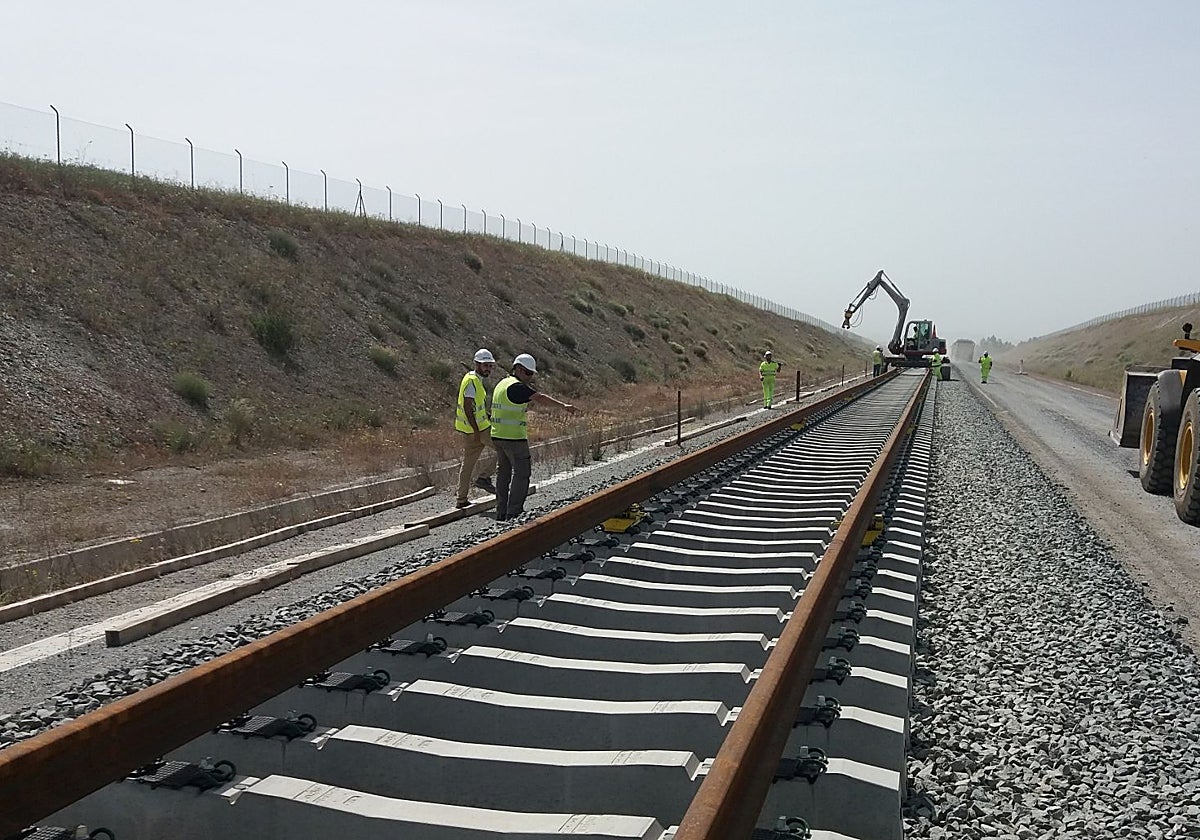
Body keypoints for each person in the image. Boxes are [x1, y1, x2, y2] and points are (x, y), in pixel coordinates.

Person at [490, 353, 577, 521]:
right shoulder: (516, 387)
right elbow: (540, 398)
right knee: (522, 473)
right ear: (519, 370)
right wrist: (563, 406)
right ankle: (514, 512)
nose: (530, 378)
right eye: (528, 373)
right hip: (513, 438)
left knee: (503, 474)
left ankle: (501, 511)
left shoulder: (501, 384)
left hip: (497, 435)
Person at [454, 348, 498, 508]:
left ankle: (461, 499)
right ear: (477, 364)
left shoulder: (473, 379)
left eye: (490, 366)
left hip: (472, 429)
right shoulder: (472, 381)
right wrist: (476, 430)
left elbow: (475, 406)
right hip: (478, 429)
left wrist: (485, 415)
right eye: (485, 365)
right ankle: (484, 478)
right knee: (504, 450)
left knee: (468, 463)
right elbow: (467, 406)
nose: (488, 369)